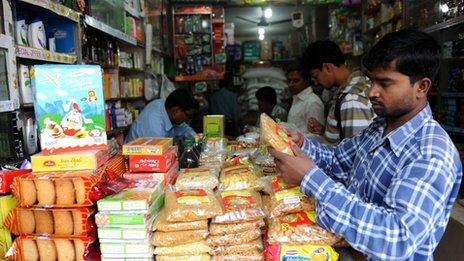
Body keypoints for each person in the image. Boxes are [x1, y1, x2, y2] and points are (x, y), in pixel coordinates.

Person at [269, 29, 462, 260]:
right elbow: (337, 160)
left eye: (385, 83)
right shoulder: (378, 128)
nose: (372, 92)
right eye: (372, 81)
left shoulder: (431, 153)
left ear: (421, 87)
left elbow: (396, 238)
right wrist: (300, 142)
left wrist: (310, 179)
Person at [302, 40, 374, 144]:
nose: (316, 83)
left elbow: (356, 152)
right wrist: (326, 131)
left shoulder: (351, 100)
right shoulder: (353, 85)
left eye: (315, 76)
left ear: (327, 67)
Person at [125, 88, 199, 142]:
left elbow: (184, 129)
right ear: (175, 111)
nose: (188, 120)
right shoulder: (155, 130)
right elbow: (157, 158)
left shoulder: (166, 106)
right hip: (135, 159)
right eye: (188, 116)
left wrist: (197, 139)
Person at [286, 63, 324, 136]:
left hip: (304, 146)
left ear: (306, 80)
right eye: (289, 81)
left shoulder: (312, 102)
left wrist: (296, 139)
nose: (291, 84)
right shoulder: (297, 99)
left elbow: (316, 135)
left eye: (296, 81)